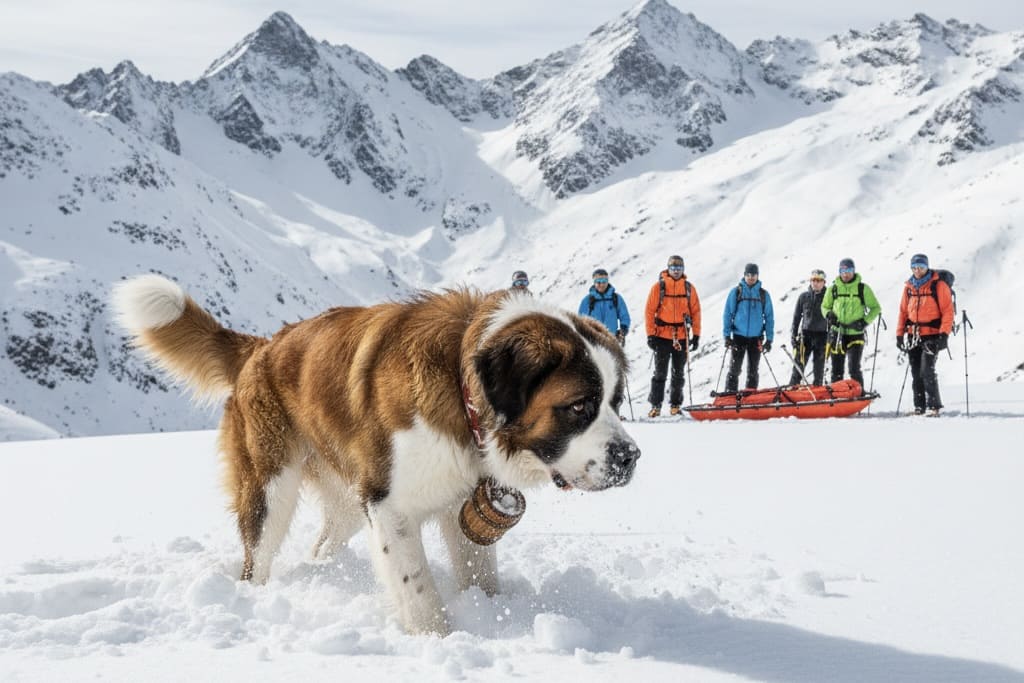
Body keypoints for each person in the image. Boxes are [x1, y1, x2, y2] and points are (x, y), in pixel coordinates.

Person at [896, 253, 954, 416]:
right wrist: (899, 334)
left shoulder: (938, 285)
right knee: (916, 372)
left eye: (921, 267)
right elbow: (902, 312)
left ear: (927, 267)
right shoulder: (909, 287)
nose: (917, 271)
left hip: (932, 335)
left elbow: (948, 311)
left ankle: (934, 407)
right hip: (913, 335)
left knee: (927, 370)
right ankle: (919, 407)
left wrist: (944, 334)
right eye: (914, 267)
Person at [644, 255, 701, 417]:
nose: (676, 271)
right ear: (668, 269)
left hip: (682, 336)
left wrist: (696, 334)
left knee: (679, 373)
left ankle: (675, 404)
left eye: (679, 268)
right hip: (662, 336)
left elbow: (696, 312)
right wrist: (651, 335)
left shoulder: (689, 288)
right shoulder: (658, 287)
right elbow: (649, 311)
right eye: (673, 268)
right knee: (660, 373)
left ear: (683, 270)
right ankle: (656, 405)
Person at [820, 257, 881, 392]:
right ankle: (836, 395)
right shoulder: (833, 289)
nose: (846, 274)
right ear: (839, 271)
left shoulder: (862, 288)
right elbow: (824, 306)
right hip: (837, 333)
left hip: (856, 334)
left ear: (854, 271)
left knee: (854, 367)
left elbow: (876, 308)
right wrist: (829, 315)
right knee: (837, 368)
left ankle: (858, 393)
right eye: (843, 270)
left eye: (849, 270)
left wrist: (864, 321)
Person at [722, 263, 774, 392]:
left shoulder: (763, 295)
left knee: (753, 370)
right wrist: (727, 336)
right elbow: (728, 314)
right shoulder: (736, 292)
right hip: (738, 337)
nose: (751, 277)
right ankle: (730, 396)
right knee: (734, 369)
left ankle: (750, 397)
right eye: (748, 275)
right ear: (744, 275)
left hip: (756, 338)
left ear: (757, 276)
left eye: (754, 275)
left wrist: (769, 339)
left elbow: (769, 317)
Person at [788, 269, 829, 385]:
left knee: (818, 370)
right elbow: (796, 318)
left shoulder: (829, 298)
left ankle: (818, 396)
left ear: (824, 282)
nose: (815, 283)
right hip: (805, 336)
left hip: (822, 337)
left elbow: (832, 319)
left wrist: (831, 338)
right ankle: (792, 390)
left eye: (819, 280)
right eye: (813, 280)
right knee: (798, 368)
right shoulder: (803, 297)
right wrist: (793, 336)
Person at [578, 268, 631, 345]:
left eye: (604, 281)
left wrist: (623, 330)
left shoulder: (616, 298)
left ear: (607, 281)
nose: (601, 284)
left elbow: (624, 316)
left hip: (612, 340)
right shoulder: (587, 301)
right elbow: (580, 322)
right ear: (594, 282)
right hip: (593, 342)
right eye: (598, 282)